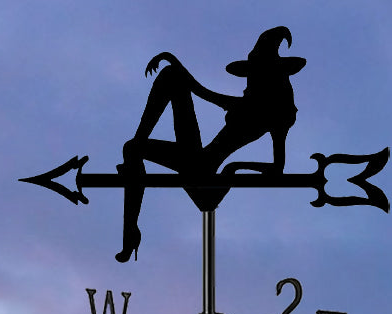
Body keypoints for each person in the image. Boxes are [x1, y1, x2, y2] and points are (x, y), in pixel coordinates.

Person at [115, 26, 306, 262]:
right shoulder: (247, 104)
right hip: (196, 162)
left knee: (133, 148)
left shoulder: (276, 115)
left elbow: (277, 170)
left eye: (254, 75)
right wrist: (172, 60)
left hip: (205, 183)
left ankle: (132, 182)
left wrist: (232, 169)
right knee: (166, 83)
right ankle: (131, 230)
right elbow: (202, 92)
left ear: (270, 77)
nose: (248, 81)